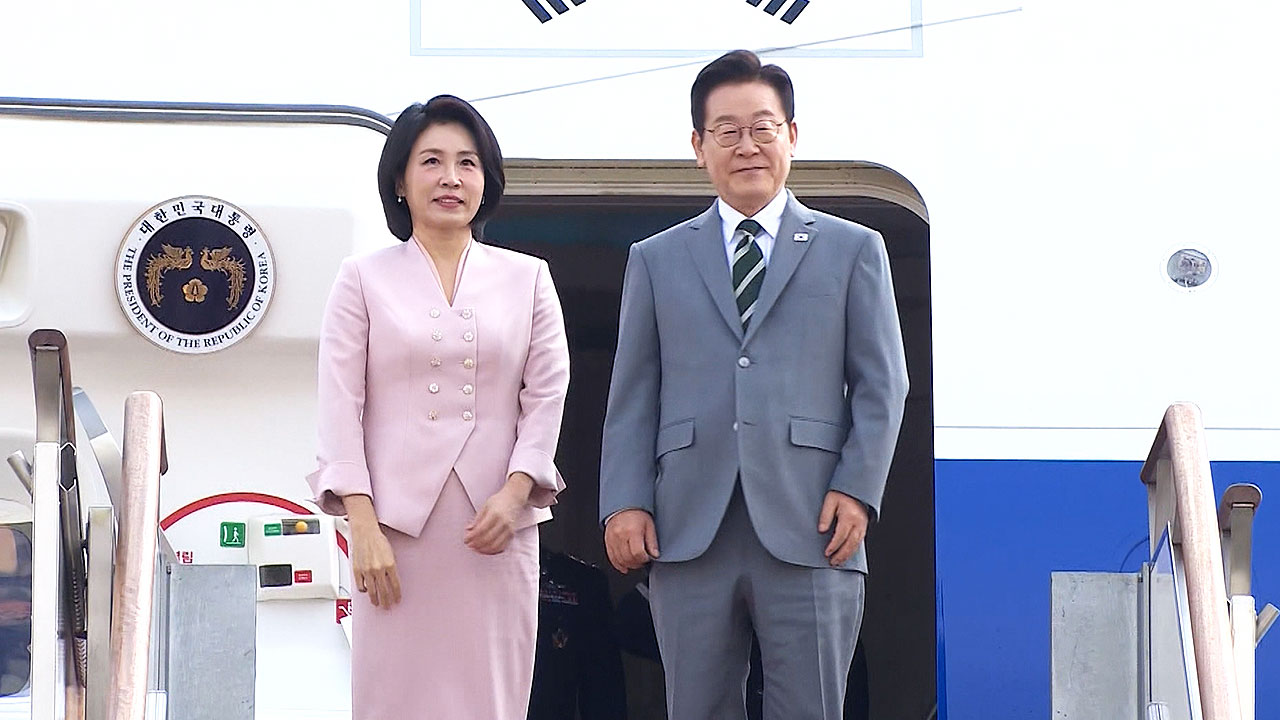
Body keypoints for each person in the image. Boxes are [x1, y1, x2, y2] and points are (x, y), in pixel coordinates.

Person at [599, 50, 908, 720]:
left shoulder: (854, 249)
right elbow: (633, 396)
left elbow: (883, 385)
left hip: (814, 522)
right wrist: (624, 502)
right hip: (688, 527)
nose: (747, 146)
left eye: (763, 128)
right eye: (727, 131)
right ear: (698, 146)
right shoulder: (655, 259)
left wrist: (858, 488)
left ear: (791, 135)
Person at [307, 95, 571, 719]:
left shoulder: (529, 278)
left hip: (496, 529)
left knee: (491, 698)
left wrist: (515, 495)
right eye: (431, 162)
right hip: (393, 534)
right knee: (393, 699)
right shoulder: (362, 278)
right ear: (401, 180)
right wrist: (362, 526)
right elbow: (340, 404)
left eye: (467, 163)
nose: (451, 178)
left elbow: (546, 392)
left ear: (486, 179)